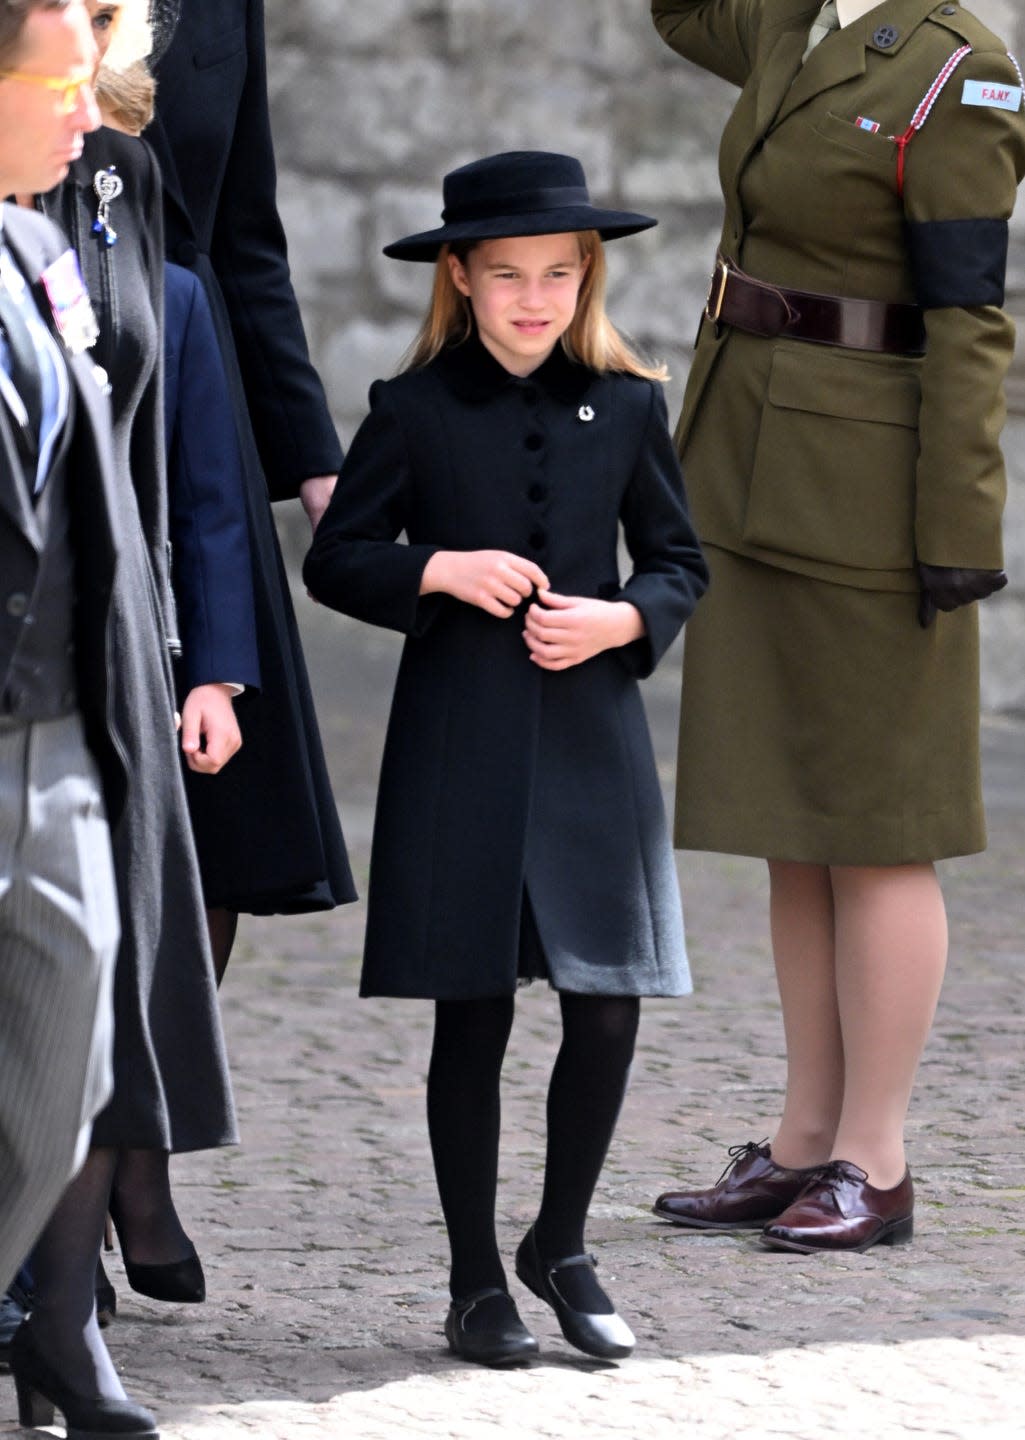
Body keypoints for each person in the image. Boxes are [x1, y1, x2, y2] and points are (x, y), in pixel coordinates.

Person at [305, 151, 709, 1366]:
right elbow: (337, 558)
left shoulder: (632, 404)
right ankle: (475, 1280)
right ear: (460, 281)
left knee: (606, 1006)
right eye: (505, 276)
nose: (532, 297)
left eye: (555, 273)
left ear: (584, 276)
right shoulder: (411, 408)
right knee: (470, 1014)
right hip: (458, 742)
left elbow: (679, 561)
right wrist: (437, 567)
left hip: (593, 742)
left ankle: (562, 1242)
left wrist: (624, 619)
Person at [649, 1, 1025, 1252]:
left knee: (875, 824)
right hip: (747, 459)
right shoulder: (788, 18)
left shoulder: (960, 71)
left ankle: (876, 1155)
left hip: (871, 493)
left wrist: (957, 531)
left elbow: (972, 318)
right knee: (790, 822)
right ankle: (806, 1138)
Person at [0, 2, 170, 1434]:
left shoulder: (50, 251)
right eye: (60, 80)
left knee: (71, 1070)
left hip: (58, 734)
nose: (87, 103)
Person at [147, 0, 355, 976]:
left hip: (193, 394)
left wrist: (316, 464)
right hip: (32, 362)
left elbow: (242, 234)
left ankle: (151, 1117)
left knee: (214, 816)